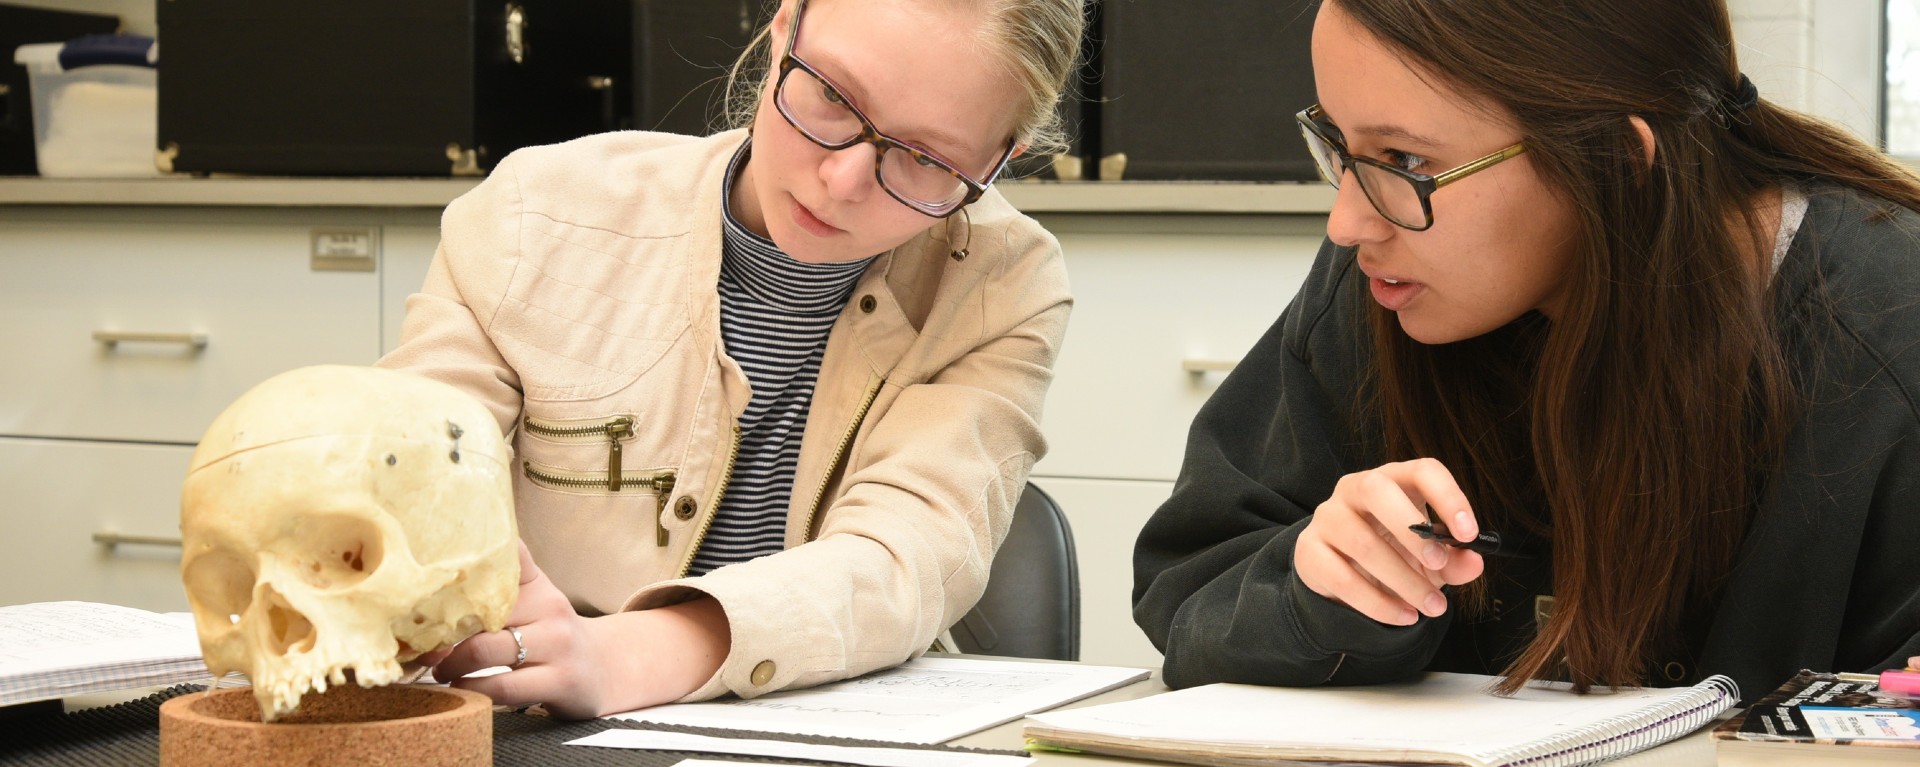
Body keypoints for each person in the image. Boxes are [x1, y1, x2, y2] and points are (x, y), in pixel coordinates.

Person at [1133, 0, 1920, 703]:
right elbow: (1191, 590)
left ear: (1615, 161)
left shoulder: (1889, 329)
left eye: (1405, 162)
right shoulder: (1382, 286)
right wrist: (1320, 593)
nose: (1347, 223)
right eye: (1340, 145)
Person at [378, 0, 1084, 718]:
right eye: (833, 96)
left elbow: (905, 556)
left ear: (999, 164)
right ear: (782, 31)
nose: (842, 180)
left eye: (926, 159)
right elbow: (393, 472)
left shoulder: (1003, 284)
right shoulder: (536, 213)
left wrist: (616, 655)